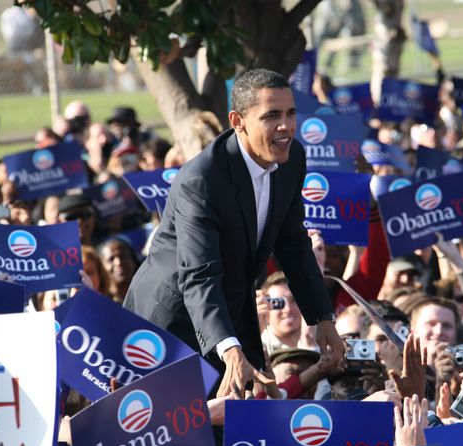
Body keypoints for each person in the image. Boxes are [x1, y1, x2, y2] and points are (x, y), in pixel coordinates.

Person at [123, 69, 345, 399]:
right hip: (172, 322)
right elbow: (199, 276)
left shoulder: (293, 157)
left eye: (290, 113)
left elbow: (293, 244)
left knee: (238, 428)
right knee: (183, 434)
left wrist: (322, 317)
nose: (285, 126)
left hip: (229, 310)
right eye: (271, 116)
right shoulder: (201, 180)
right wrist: (228, 349)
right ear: (238, 121)